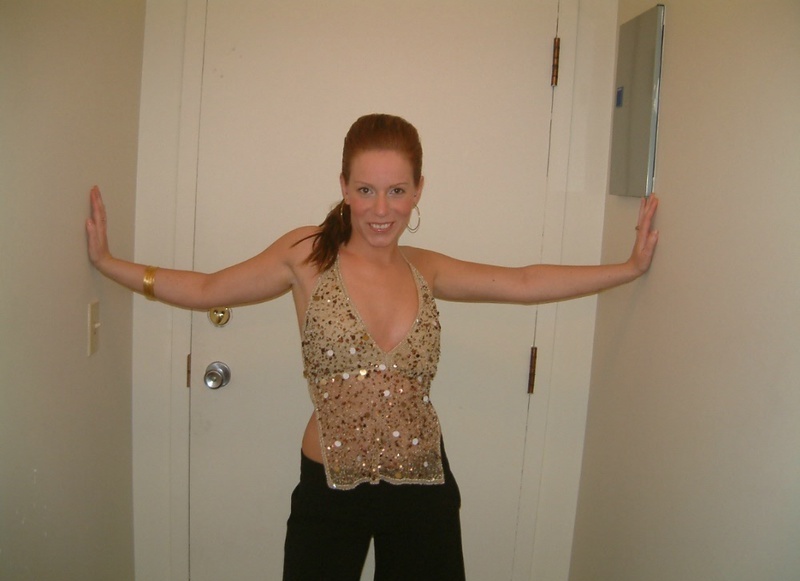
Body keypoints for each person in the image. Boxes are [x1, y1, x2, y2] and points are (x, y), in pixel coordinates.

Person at [86, 113, 659, 580]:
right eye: (365, 190)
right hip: (329, 487)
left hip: (424, 485)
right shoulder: (308, 255)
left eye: (396, 191)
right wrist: (111, 264)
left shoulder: (426, 269)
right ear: (344, 187)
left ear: (418, 190)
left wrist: (628, 267)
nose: (381, 210)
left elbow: (525, 281)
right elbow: (208, 288)